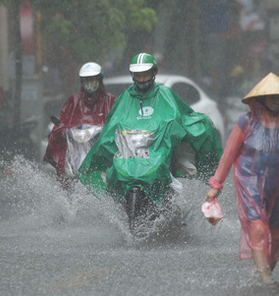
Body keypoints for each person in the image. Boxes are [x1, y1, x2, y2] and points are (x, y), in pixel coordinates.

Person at [78, 53, 222, 230]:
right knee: (114, 173)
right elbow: (111, 126)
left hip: (159, 147)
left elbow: (180, 116)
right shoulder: (124, 98)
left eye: (145, 74)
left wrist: (172, 129)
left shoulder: (166, 94)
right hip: (130, 151)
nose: (141, 79)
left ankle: (171, 206)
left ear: (153, 73)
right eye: (138, 75)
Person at [205, 72, 279, 285]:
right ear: (261, 98)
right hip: (250, 185)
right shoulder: (246, 123)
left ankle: (265, 273)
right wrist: (216, 185)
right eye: (271, 96)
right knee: (257, 228)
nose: (275, 100)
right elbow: (228, 155)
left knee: (277, 233)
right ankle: (266, 279)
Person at [44, 62, 116, 189]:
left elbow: (119, 123)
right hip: (76, 153)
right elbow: (62, 122)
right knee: (66, 176)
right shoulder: (73, 101)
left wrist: (109, 131)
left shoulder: (111, 101)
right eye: (86, 80)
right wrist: (62, 130)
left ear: (99, 80)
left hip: (102, 156)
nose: (90, 83)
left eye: (93, 79)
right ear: (82, 82)